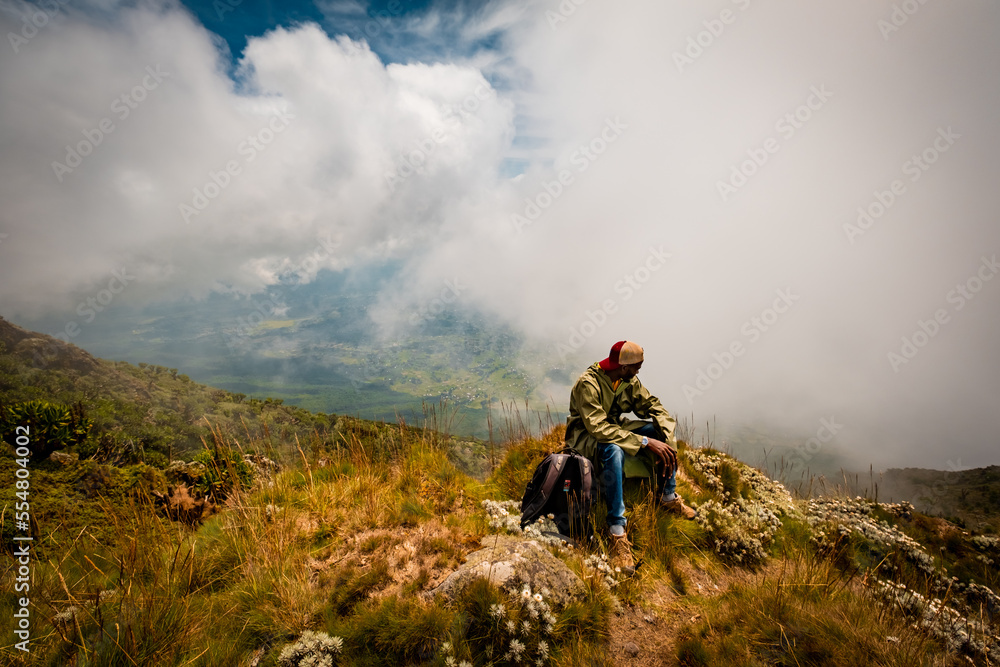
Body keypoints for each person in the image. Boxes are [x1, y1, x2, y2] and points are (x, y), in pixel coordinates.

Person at [564, 340, 696, 570]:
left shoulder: (627, 380)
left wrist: (667, 436)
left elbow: (651, 404)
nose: (638, 371)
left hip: (615, 428)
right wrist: (644, 442)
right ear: (624, 367)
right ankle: (616, 529)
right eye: (636, 367)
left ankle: (667, 496)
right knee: (613, 449)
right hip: (586, 437)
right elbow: (598, 429)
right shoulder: (588, 384)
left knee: (659, 433)